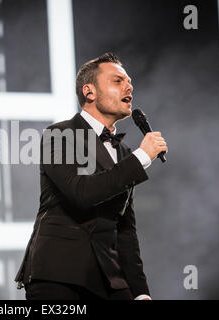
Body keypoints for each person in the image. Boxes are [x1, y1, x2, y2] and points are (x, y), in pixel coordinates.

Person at [14, 52, 168, 300]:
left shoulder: (124, 152)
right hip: (60, 276)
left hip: (111, 279)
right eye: (117, 81)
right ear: (89, 92)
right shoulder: (60, 134)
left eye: (129, 82)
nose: (129, 86)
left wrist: (140, 293)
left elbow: (125, 228)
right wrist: (142, 157)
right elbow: (81, 193)